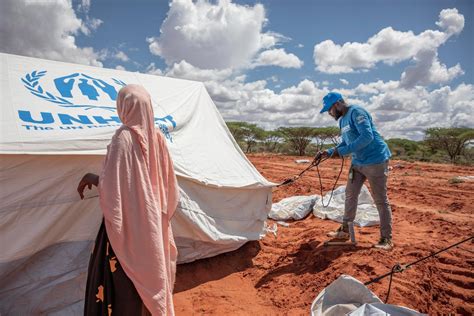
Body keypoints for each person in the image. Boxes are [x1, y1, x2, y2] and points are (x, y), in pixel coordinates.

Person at [77, 84, 179, 315]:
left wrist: (90, 176)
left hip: (128, 225)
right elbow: (170, 186)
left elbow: (114, 191)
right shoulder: (158, 137)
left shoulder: (123, 137)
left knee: (123, 273)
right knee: (151, 272)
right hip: (154, 224)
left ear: (123, 106)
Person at [317, 92, 393, 250]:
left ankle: (386, 239)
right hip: (357, 162)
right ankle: (345, 231)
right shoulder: (342, 120)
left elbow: (367, 137)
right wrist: (329, 152)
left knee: (380, 200)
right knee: (350, 195)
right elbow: (346, 142)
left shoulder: (357, 112)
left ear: (338, 103)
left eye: (330, 109)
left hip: (375, 160)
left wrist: (342, 152)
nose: (330, 113)